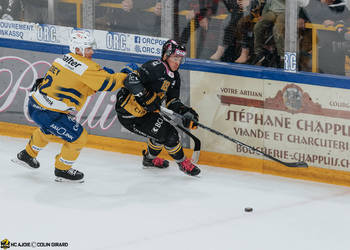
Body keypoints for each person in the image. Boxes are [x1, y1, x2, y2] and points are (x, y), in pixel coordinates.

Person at [12, 30, 126, 183]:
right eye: (88, 48)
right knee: (79, 137)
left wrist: (102, 75)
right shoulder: (85, 67)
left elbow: (81, 84)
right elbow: (109, 83)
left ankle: (27, 155)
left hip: (36, 105)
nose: (92, 51)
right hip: (49, 111)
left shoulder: (64, 58)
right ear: (78, 49)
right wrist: (127, 76)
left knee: (49, 130)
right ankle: (62, 170)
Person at [115, 40, 201, 176]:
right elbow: (130, 80)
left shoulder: (175, 77)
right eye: (175, 58)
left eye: (180, 59)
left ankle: (149, 160)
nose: (178, 62)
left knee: (159, 134)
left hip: (146, 113)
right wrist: (146, 96)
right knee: (170, 136)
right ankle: (182, 163)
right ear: (166, 56)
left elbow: (172, 101)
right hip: (129, 116)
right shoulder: (154, 67)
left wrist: (185, 112)